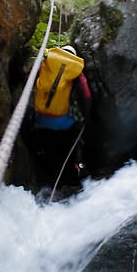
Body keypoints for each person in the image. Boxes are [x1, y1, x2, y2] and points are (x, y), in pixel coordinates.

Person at [31, 45, 92, 186]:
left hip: (41, 119)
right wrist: (86, 118)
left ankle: (41, 159)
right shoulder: (76, 70)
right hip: (63, 121)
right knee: (78, 137)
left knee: (41, 138)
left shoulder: (47, 65)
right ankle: (80, 166)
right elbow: (87, 96)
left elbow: (29, 78)